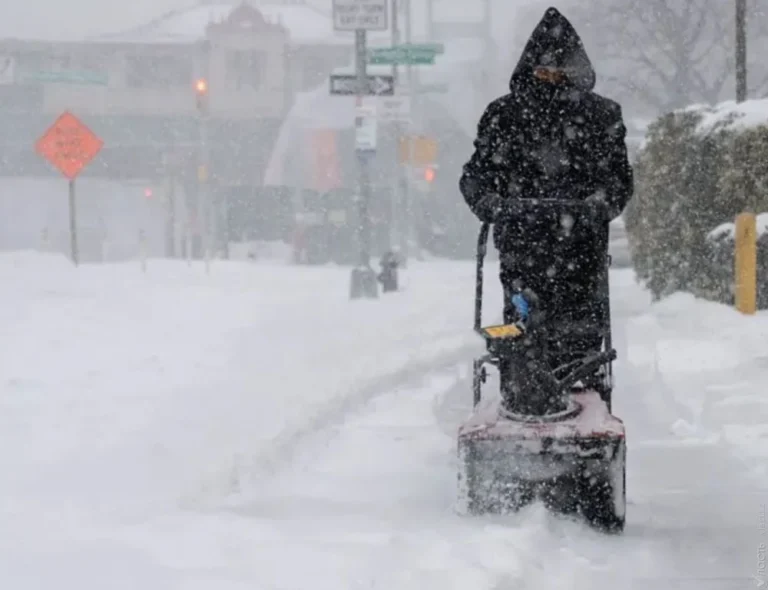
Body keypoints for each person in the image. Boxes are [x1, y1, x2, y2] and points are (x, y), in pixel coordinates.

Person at [459, 7, 634, 393]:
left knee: (581, 325)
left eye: (560, 70)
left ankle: (582, 378)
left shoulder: (601, 116)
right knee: (523, 321)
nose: (551, 78)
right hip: (523, 243)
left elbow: (618, 179)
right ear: (530, 68)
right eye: (544, 69)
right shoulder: (503, 116)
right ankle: (521, 384)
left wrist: (599, 204)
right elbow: (476, 174)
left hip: (581, 246)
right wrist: (488, 201)